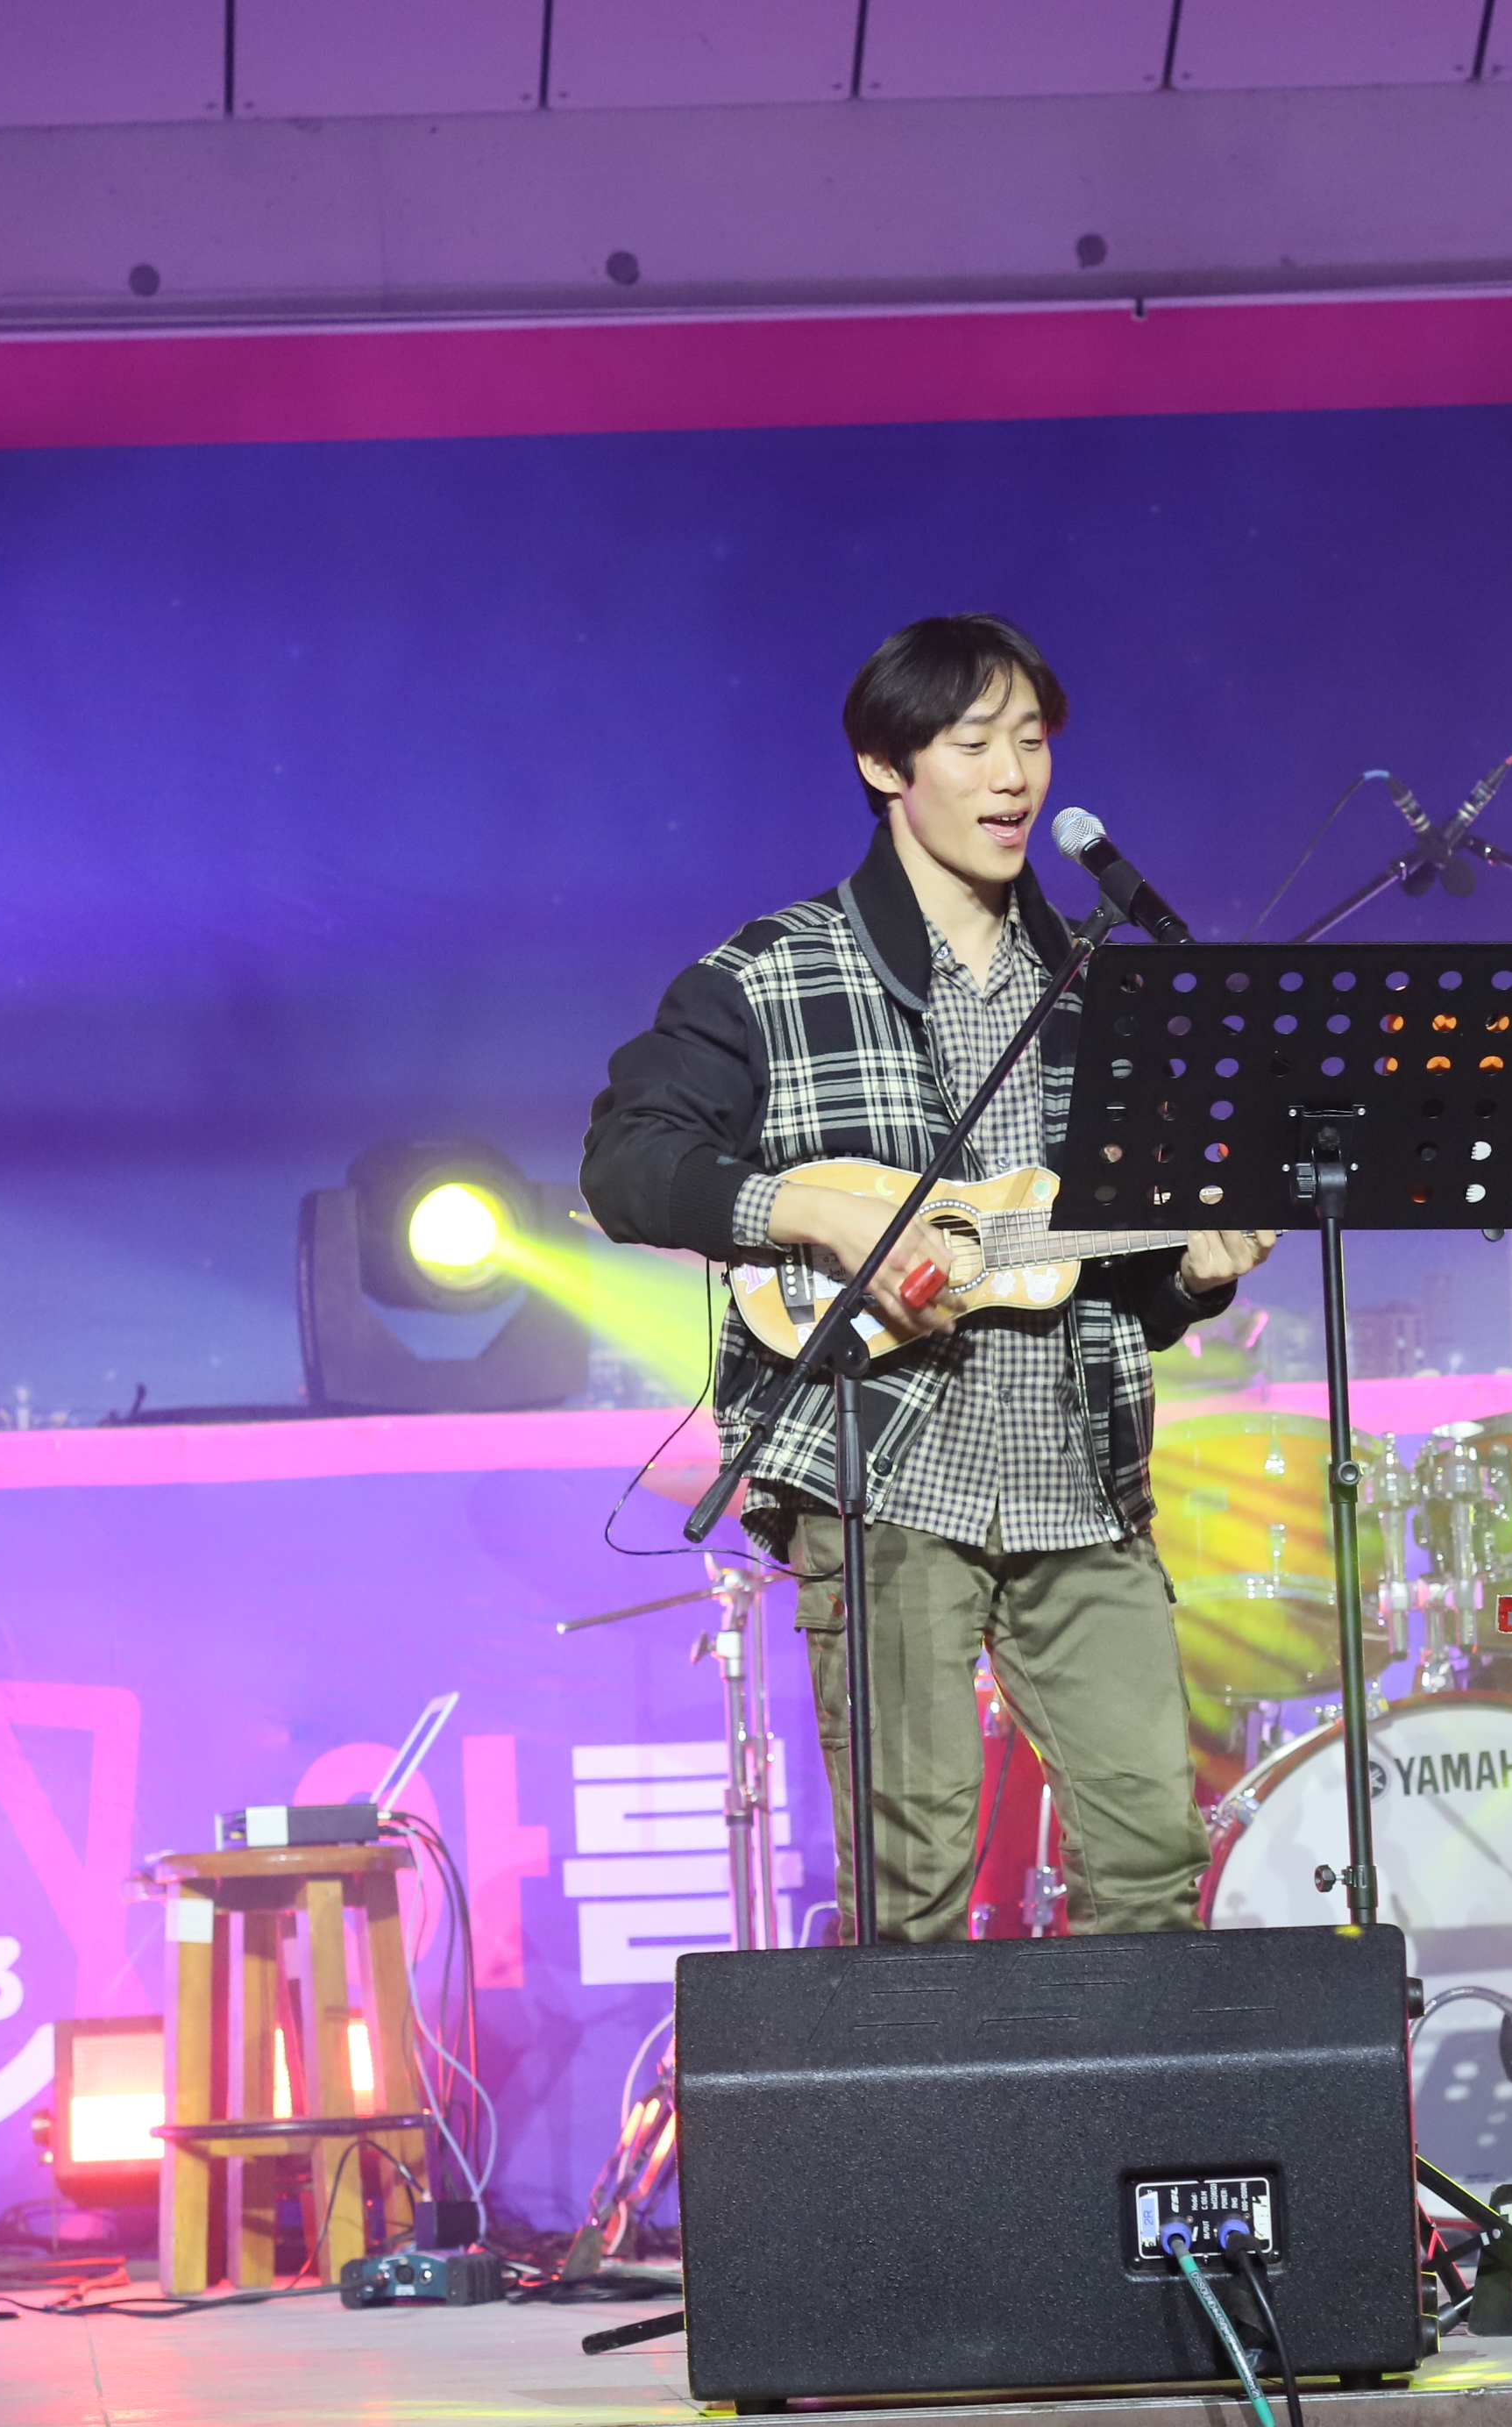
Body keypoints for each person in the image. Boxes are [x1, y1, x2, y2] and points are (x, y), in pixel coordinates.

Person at [582, 613, 1275, 1943]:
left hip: (1080, 1479)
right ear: (885, 765)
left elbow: (1123, 1287)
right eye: (974, 744)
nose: (1015, 778)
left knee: (1150, 1862)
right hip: (885, 1479)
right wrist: (812, 1211)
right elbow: (627, 1162)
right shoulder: (769, 974)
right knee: (911, 1898)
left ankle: (1119, 2090)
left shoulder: (1103, 1000)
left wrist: (1193, 1276)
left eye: (1032, 742)